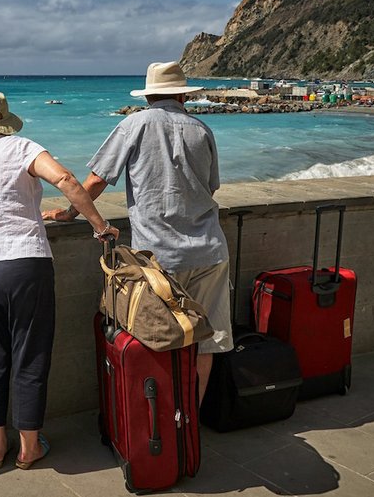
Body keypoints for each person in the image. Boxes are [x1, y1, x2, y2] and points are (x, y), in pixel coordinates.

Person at [43, 61, 232, 403]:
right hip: (210, 251)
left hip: (159, 258)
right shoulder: (201, 129)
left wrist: (71, 212)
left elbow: (98, 179)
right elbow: (211, 188)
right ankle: (190, 422)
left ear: (148, 96)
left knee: (159, 340)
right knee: (208, 341)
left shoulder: (135, 124)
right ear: (183, 96)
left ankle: (162, 426)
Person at [0, 91, 119, 471]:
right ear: (5, 120)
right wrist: (100, 226)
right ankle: (28, 446)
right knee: (30, 353)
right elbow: (65, 178)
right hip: (24, 263)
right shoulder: (23, 148)